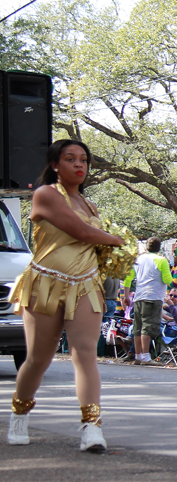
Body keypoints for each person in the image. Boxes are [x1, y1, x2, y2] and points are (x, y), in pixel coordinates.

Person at [7, 139, 125, 451]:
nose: (79, 165)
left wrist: (113, 253)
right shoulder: (45, 194)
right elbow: (82, 232)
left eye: (83, 160)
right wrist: (118, 240)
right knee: (38, 359)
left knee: (85, 353)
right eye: (70, 159)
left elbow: (91, 241)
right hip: (45, 284)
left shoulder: (90, 206)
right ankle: (20, 413)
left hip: (85, 285)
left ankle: (92, 427)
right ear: (55, 165)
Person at [123, 237, 174, 366]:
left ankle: (138, 355)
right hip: (153, 297)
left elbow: (128, 278)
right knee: (148, 327)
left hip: (139, 297)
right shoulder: (161, 260)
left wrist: (126, 296)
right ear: (159, 248)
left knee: (137, 327)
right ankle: (146, 357)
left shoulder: (138, 259)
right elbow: (168, 280)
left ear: (147, 247)